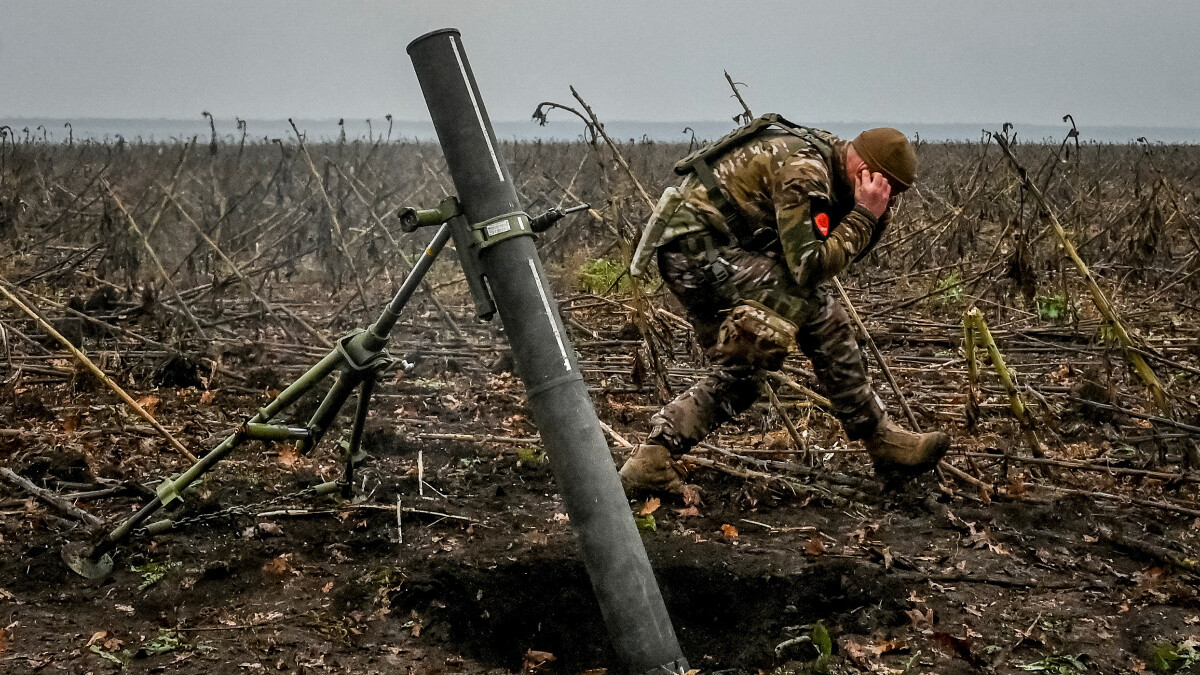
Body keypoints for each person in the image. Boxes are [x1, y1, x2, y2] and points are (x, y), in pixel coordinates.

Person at [620, 115, 949, 495]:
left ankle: (651, 460)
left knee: (742, 378)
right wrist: (864, 216)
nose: (887, 198)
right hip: (698, 253)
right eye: (887, 189)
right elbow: (809, 268)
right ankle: (881, 440)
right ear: (865, 170)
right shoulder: (806, 172)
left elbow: (831, 256)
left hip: (707, 253)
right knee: (821, 311)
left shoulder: (832, 162)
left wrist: (872, 218)